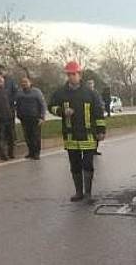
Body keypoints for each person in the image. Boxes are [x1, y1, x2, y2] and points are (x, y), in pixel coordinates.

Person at [48, 61, 106, 203]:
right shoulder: (60, 93)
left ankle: (88, 194)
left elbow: (99, 113)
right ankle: (78, 192)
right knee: (74, 165)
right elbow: (51, 107)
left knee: (87, 164)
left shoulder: (90, 93)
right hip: (71, 135)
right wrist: (61, 111)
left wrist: (101, 130)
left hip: (88, 135)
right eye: (69, 74)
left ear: (79, 74)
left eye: (74, 74)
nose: (71, 77)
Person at [15, 77, 47, 160]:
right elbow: (17, 105)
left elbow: (42, 105)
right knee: (27, 136)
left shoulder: (37, 92)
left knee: (35, 136)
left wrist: (42, 117)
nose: (24, 84)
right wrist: (18, 114)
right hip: (24, 118)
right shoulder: (19, 93)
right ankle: (31, 152)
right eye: (22, 82)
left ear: (30, 82)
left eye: (25, 82)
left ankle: (36, 153)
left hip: (35, 117)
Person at [85, 79, 104, 156]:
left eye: (91, 83)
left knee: (96, 134)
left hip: (96, 115)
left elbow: (99, 101)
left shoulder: (96, 93)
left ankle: (95, 149)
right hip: (88, 116)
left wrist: (102, 106)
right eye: (89, 83)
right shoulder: (85, 93)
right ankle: (89, 149)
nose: (90, 85)